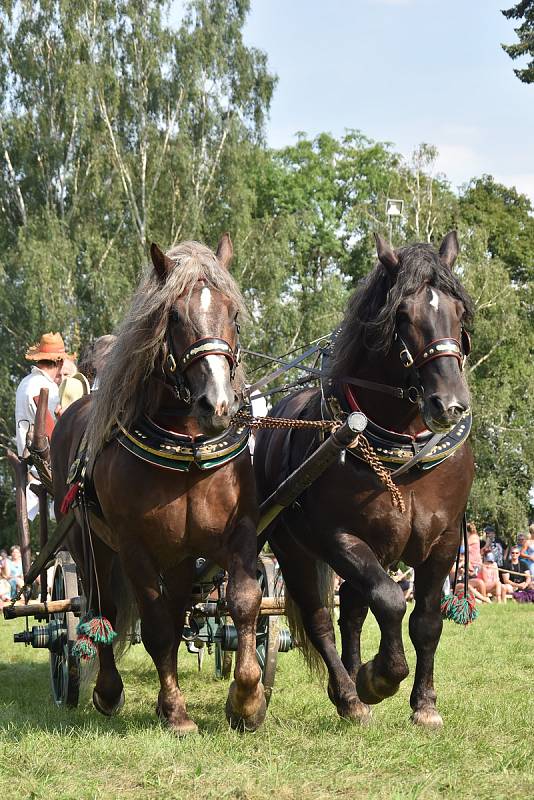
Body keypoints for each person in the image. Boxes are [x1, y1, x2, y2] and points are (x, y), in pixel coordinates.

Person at [14, 332, 76, 457]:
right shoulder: (48, 387)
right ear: (60, 362)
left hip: (26, 464)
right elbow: (53, 432)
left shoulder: (24, 383)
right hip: (44, 469)